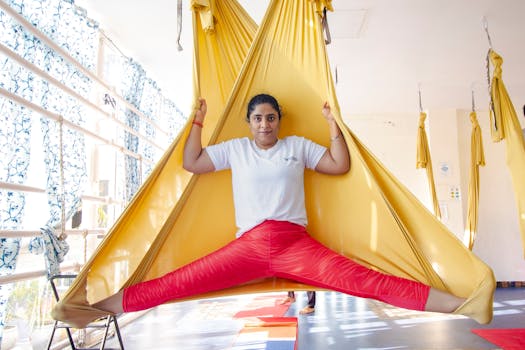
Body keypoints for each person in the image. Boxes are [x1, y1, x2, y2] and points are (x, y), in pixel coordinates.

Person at [93, 93, 465, 317]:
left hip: (294, 244)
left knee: (362, 280)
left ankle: (455, 303)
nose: (265, 124)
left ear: (278, 121)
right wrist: (197, 122)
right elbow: (192, 162)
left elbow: (339, 165)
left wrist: (334, 125)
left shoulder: (296, 146)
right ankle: (103, 307)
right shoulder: (236, 149)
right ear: (249, 122)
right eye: (258, 118)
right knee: (180, 282)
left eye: (271, 118)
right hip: (248, 246)